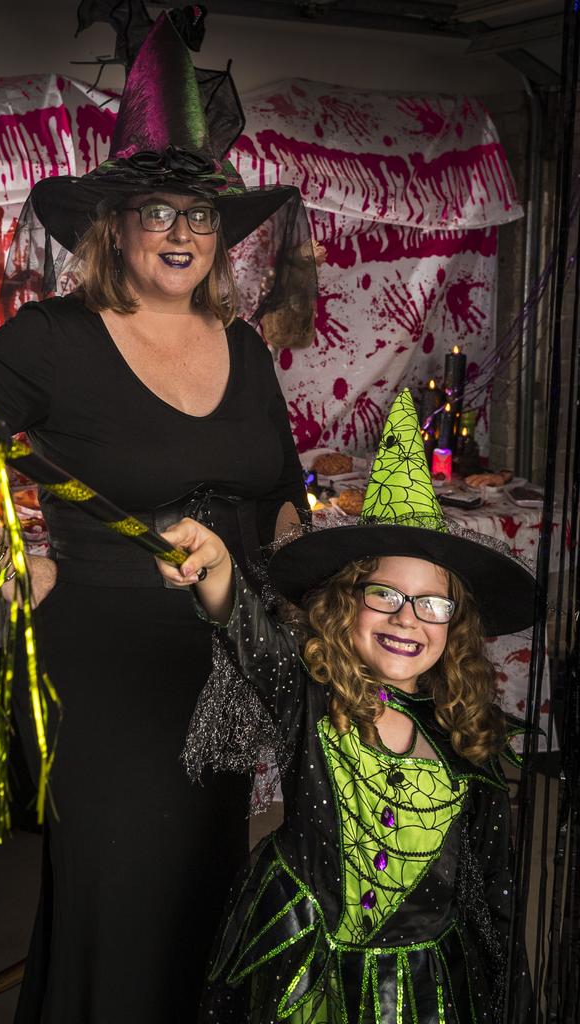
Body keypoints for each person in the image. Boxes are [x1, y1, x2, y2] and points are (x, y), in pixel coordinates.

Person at [0, 11, 317, 1024]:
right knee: (121, 884)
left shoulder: (241, 348)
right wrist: (2, 549)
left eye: (198, 217)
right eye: (156, 213)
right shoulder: (57, 339)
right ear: (112, 228)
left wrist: (291, 554)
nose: (180, 235)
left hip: (218, 655)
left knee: (207, 881)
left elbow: (280, 484)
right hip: (104, 660)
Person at [156, 388, 535, 1023]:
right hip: (300, 962)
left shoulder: (470, 741)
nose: (406, 618)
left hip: (414, 985)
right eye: (383, 593)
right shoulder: (312, 689)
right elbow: (248, 631)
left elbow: (493, 887)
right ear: (344, 601)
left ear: (455, 625)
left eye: (431, 604)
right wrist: (217, 567)